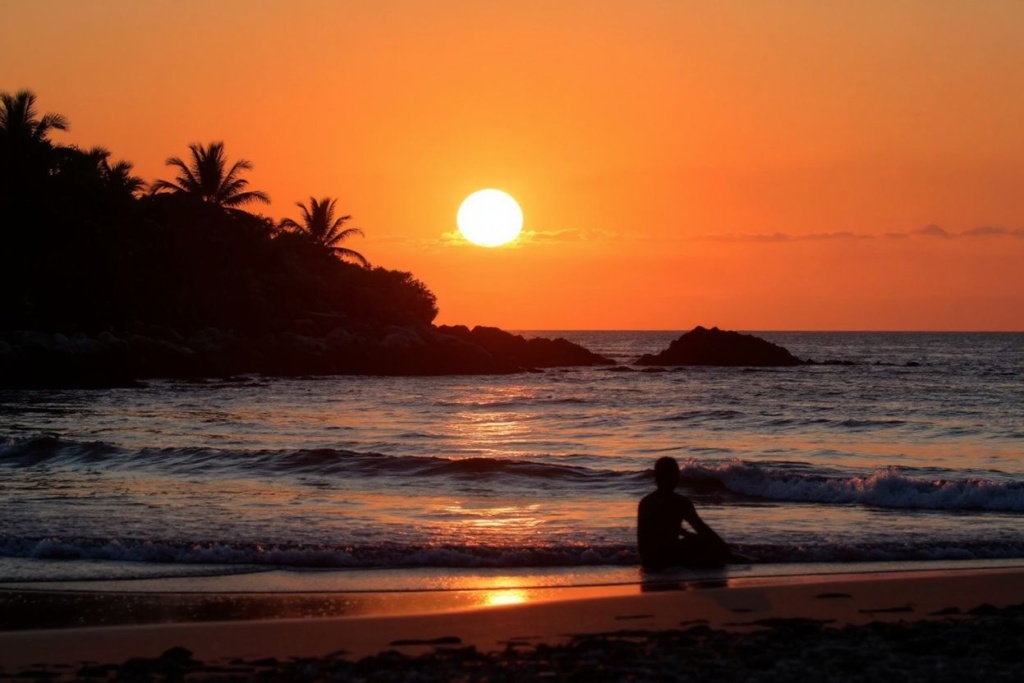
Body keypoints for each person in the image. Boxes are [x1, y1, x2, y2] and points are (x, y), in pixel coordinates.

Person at [637, 456, 732, 570]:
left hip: (650, 559)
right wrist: (721, 545)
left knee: (699, 541)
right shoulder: (680, 502)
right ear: (675, 477)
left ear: (656, 477)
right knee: (709, 547)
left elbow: (644, 538)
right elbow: (701, 528)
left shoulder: (646, 502)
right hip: (667, 557)